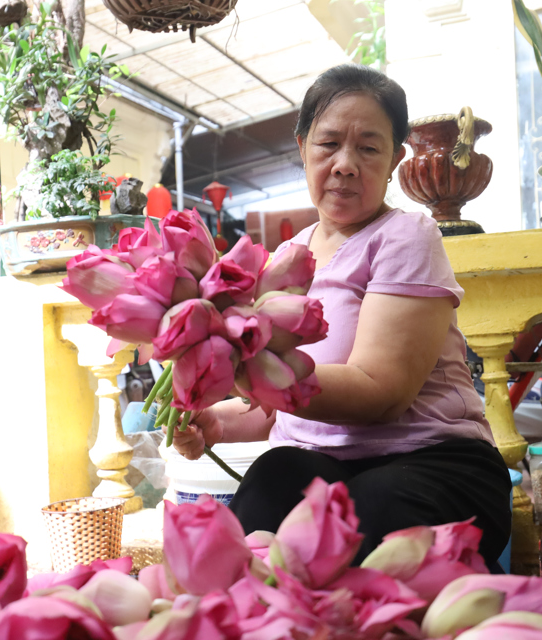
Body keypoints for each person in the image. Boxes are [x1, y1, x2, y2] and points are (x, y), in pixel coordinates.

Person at [171, 64, 512, 566]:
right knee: (270, 485)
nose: (346, 163)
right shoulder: (285, 256)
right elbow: (275, 406)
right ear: (302, 146)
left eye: (369, 148)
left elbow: (381, 393)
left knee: (364, 514)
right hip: (326, 467)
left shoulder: (407, 236)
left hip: (434, 462)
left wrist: (243, 371)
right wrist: (214, 422)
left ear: (396, 159)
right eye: (328, 144)